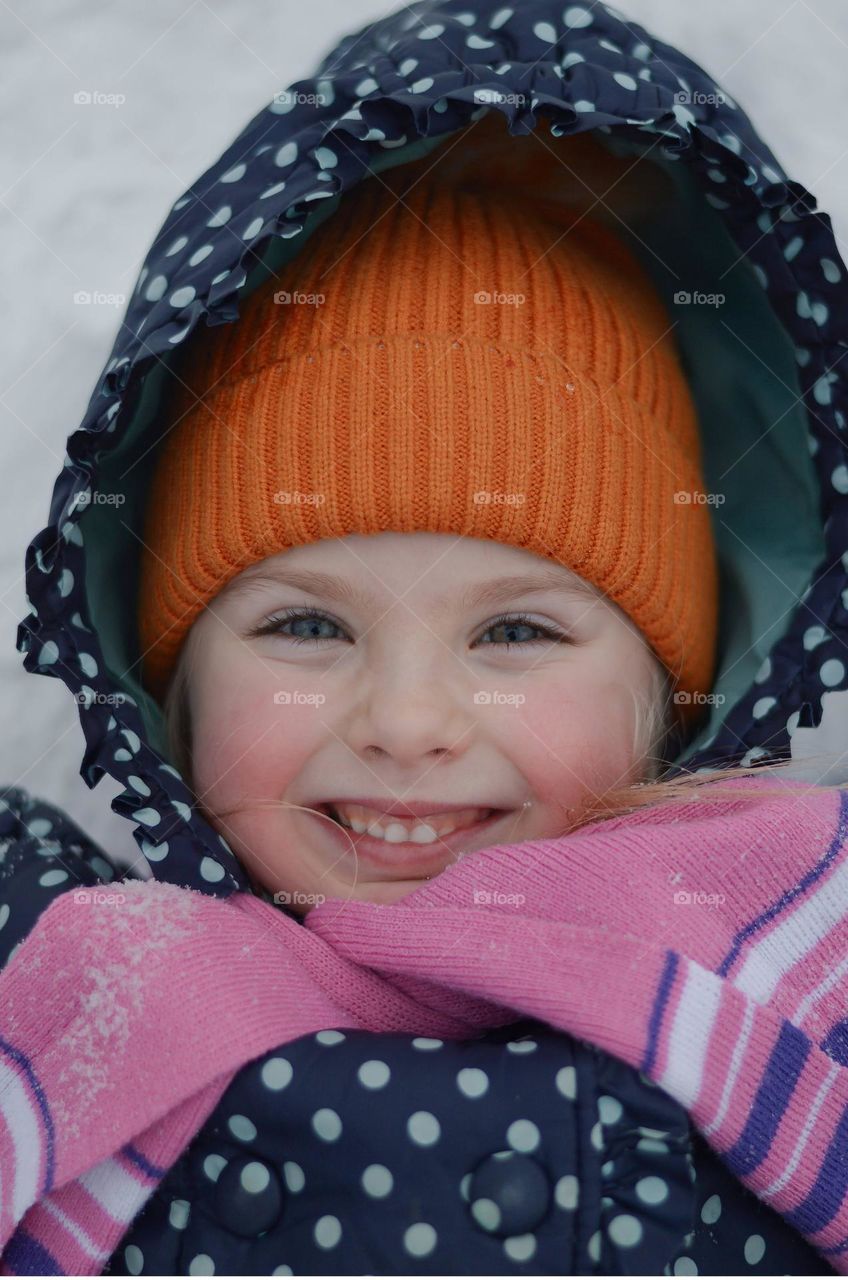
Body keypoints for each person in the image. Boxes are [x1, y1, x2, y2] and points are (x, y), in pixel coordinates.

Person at [2, 0, 847, 1274]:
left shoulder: (800, 949)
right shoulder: (58, 966)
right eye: (302, 624)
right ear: (160, 671)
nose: (403, 722)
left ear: (673, 690)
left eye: (511, 630)